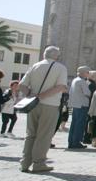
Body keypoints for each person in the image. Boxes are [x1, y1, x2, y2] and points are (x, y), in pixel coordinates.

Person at [18, 45, 68, 173]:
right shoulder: (60, 68)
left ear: (44, 55)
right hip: (50, 105)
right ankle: (39, 163)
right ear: (56, 56)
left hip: (32, 105)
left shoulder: (35, 66)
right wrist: (41, 96)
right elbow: (61, 87)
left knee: (30, 134)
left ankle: (24, 163)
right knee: (44, 135)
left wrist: (31, 95)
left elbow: (22, 85)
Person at [68, 65, 92, 149]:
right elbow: (87, 93)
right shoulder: (82, 81)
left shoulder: (75, 80)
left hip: (75, 104)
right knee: (79, 124)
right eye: (87, 72)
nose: (88, 74)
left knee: (74, 124)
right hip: (82, 105)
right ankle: (76, 142)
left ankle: (71, 142)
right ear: (83, 73)